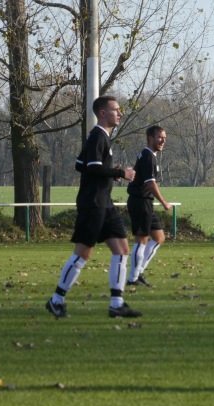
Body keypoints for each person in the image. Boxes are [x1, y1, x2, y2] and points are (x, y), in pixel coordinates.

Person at [45, 95, 142, 319]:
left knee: (122, 249)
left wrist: (109, 171)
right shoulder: (98, 135)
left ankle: (116, 304)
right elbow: (92, 166)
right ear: (102, 113)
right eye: (116, 110)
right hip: (93, 204)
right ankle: (56, 300)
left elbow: (82, 165)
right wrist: (120, 172)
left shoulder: (101, 138)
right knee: (83, 253)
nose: (120, 113)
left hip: (105, 203)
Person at [126, 125, 171, 287]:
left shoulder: (149, 155)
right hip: (140, 201)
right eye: (159, 137)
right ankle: (133, 278)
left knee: (159, 238)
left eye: (164, 138)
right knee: (141, 240)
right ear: (150, 138)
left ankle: (138, 273)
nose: (163, 141)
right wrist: (164, 201)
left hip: (145, 202)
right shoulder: (148, 156)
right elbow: (150, 183)